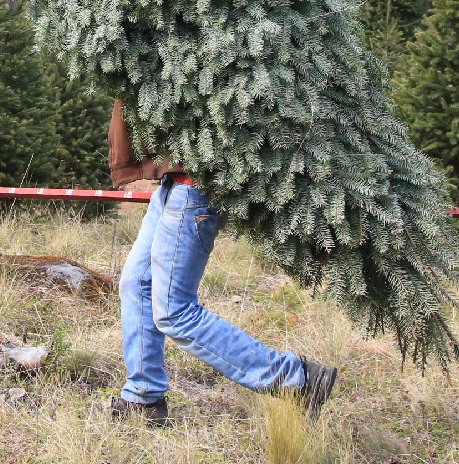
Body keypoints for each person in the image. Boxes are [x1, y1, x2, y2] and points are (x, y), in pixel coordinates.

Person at [107, 100, 338, 426]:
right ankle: (144, 396)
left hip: (193, 190)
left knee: (174, 311)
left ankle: (297, 379)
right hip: (173, 183)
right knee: (136, 283)